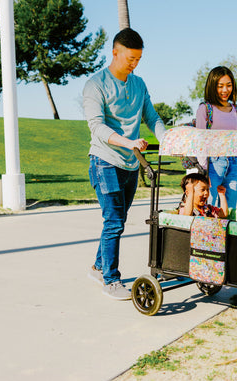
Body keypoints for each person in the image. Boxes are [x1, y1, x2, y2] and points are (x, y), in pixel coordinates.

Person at [83, 28, 166, 300]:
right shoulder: (95, 85)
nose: (134, 64)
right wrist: (128, 142)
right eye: (130, 58)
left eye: (138, 59)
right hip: (104, 161)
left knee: (115, 221)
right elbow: (97, 127)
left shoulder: (138, 85)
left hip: (130, 165)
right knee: (115, 221)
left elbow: (152, 118)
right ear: (115, 52)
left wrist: (168, 140)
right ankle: (110, 279)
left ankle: (98, 266)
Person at [195, 66, 237, 209]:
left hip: (233, 165)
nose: (225, 90)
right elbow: (200, 142)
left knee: (229, 211)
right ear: (212, 87)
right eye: (220, 86)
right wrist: (204, 171)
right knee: (210, 210)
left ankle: (227, 233)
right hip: (212, 165)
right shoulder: (205, 109)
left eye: (229, 85)